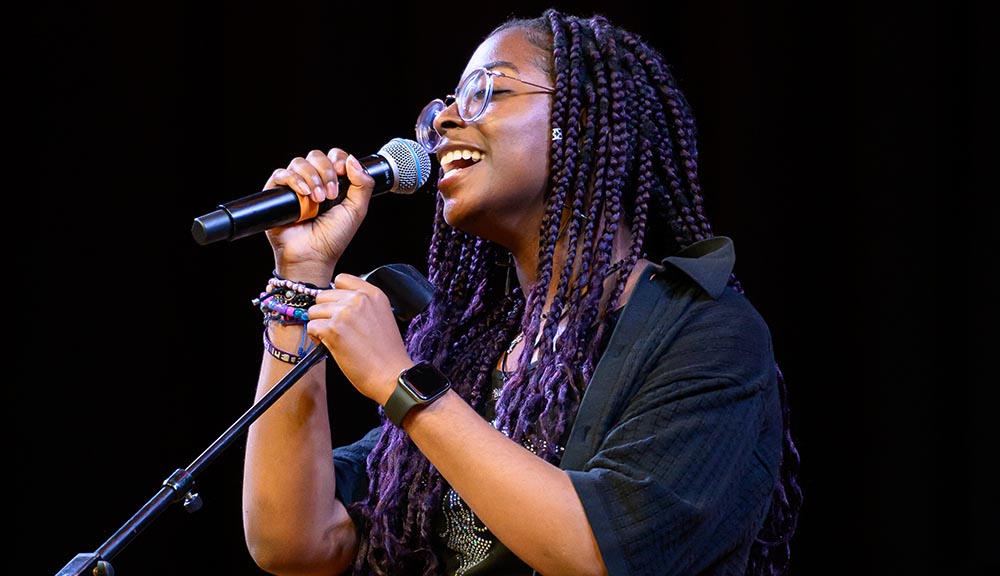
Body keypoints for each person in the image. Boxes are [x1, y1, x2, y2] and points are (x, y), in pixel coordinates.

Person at [241, 8, 802, 576]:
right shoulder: (469, 351)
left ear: (582, 121)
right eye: (447, 103)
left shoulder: (708, 334)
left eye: (489, 90)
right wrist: (300, 278)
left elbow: (599, 554)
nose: (447, 121)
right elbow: (294, 541)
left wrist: (400, 383)